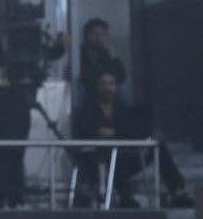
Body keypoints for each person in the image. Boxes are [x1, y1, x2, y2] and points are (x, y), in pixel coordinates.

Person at [0, 0, 66, 207]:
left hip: (19, 108)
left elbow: (52, 52)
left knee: (15, 158)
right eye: (4, 4)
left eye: (12, 4)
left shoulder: (31, 37)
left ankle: (15, 200)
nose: (9, 9)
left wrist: (62, 43)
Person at [72, 68, 193, 208]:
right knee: (111, 153)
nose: (107, 88)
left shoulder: (122, 108)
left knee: (157, 145)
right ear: (96, 86)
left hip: (125, 155)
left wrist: (145, 135)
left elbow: (130, 129)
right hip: (98, 158)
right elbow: (99, 132)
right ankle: (123, 196)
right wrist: (122, 133)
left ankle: (177, 192)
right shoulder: (87, 110)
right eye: (103, 84)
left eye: (111, 84)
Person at [78, 17, 127, 99]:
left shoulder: (107, 53)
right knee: (79, 90)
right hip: (86, 88)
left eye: (102, 34)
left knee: (122, 89)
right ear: (86, 36)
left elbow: (121, 77)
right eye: (94, 34)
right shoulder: (79, 52)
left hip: (104, 88)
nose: (99, 38)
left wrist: (114, 58)